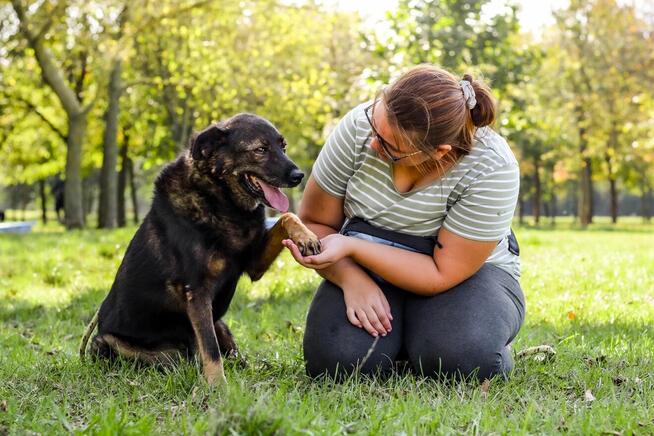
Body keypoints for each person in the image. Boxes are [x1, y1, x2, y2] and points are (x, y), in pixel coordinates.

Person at [282, 64, 525, 382]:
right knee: (337, 364)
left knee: (463, 359)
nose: (372, 144)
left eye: (389, 147)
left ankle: (432, 336)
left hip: (461, 277)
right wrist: (350, 278)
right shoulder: (360, 126)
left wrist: (352, 245)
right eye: (374, 126)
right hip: (367, 263)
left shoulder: (492, 166)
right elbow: (316, 221)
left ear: (439, 152)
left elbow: (442, 272)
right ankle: (401, 340)